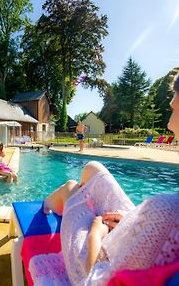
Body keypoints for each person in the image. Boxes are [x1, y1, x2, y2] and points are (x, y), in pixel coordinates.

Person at [35, 74, 179, 286]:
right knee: (93, 168)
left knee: (72, 187)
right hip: (130, 241)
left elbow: (94, 280)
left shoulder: (166, 212)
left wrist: (95, 232)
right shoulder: (166, 212)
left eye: (174, 109)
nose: (169, 125)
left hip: (91, 266)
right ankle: (64, 198)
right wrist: (130, 223)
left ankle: (56, 201)